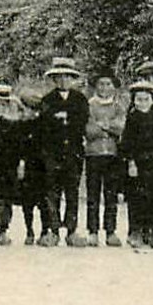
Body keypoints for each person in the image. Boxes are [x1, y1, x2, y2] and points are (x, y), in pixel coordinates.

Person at [35, 58, 89, 247]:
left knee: (72, 191)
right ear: (54, 79)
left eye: (68, 77)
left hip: (73, 153)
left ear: (73, 79)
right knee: (52, 191)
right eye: (59, 77)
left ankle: (72, 230)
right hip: (52, 152)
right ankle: (53, 230)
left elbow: (82, 121)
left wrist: (65, 117)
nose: (63, 81)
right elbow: (43, 124)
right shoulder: (48, 100)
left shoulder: (80, 99)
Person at [119, 79, 153, 248]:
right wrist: (131, 163)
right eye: (139, 99)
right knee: (137, 198)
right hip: (138, 165)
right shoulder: (132, 119)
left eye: (146, 99)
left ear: (152, 100)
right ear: (133, 100)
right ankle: (135, 231)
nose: (142, 103)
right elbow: (127, 143)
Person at [0, 83, 33, 246]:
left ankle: (3, 229)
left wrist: (21, 164)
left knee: (7, 200)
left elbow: (21, 147)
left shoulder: (14, 126)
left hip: (9, 167)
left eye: (2, 105)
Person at [83, 69, 125, 246]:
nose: (105, 88)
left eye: (108, 84)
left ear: (114, 87)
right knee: (93, 194)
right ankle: (92, 231)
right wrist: (107, 128)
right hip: (93, 154)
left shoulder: (118, 106)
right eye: (101, 84)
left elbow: (120, 127)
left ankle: (110, 231)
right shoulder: (89, 105)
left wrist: (104, 126)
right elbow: (89, 130)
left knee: (111, 194)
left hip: (112, 155)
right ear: (95, 86)